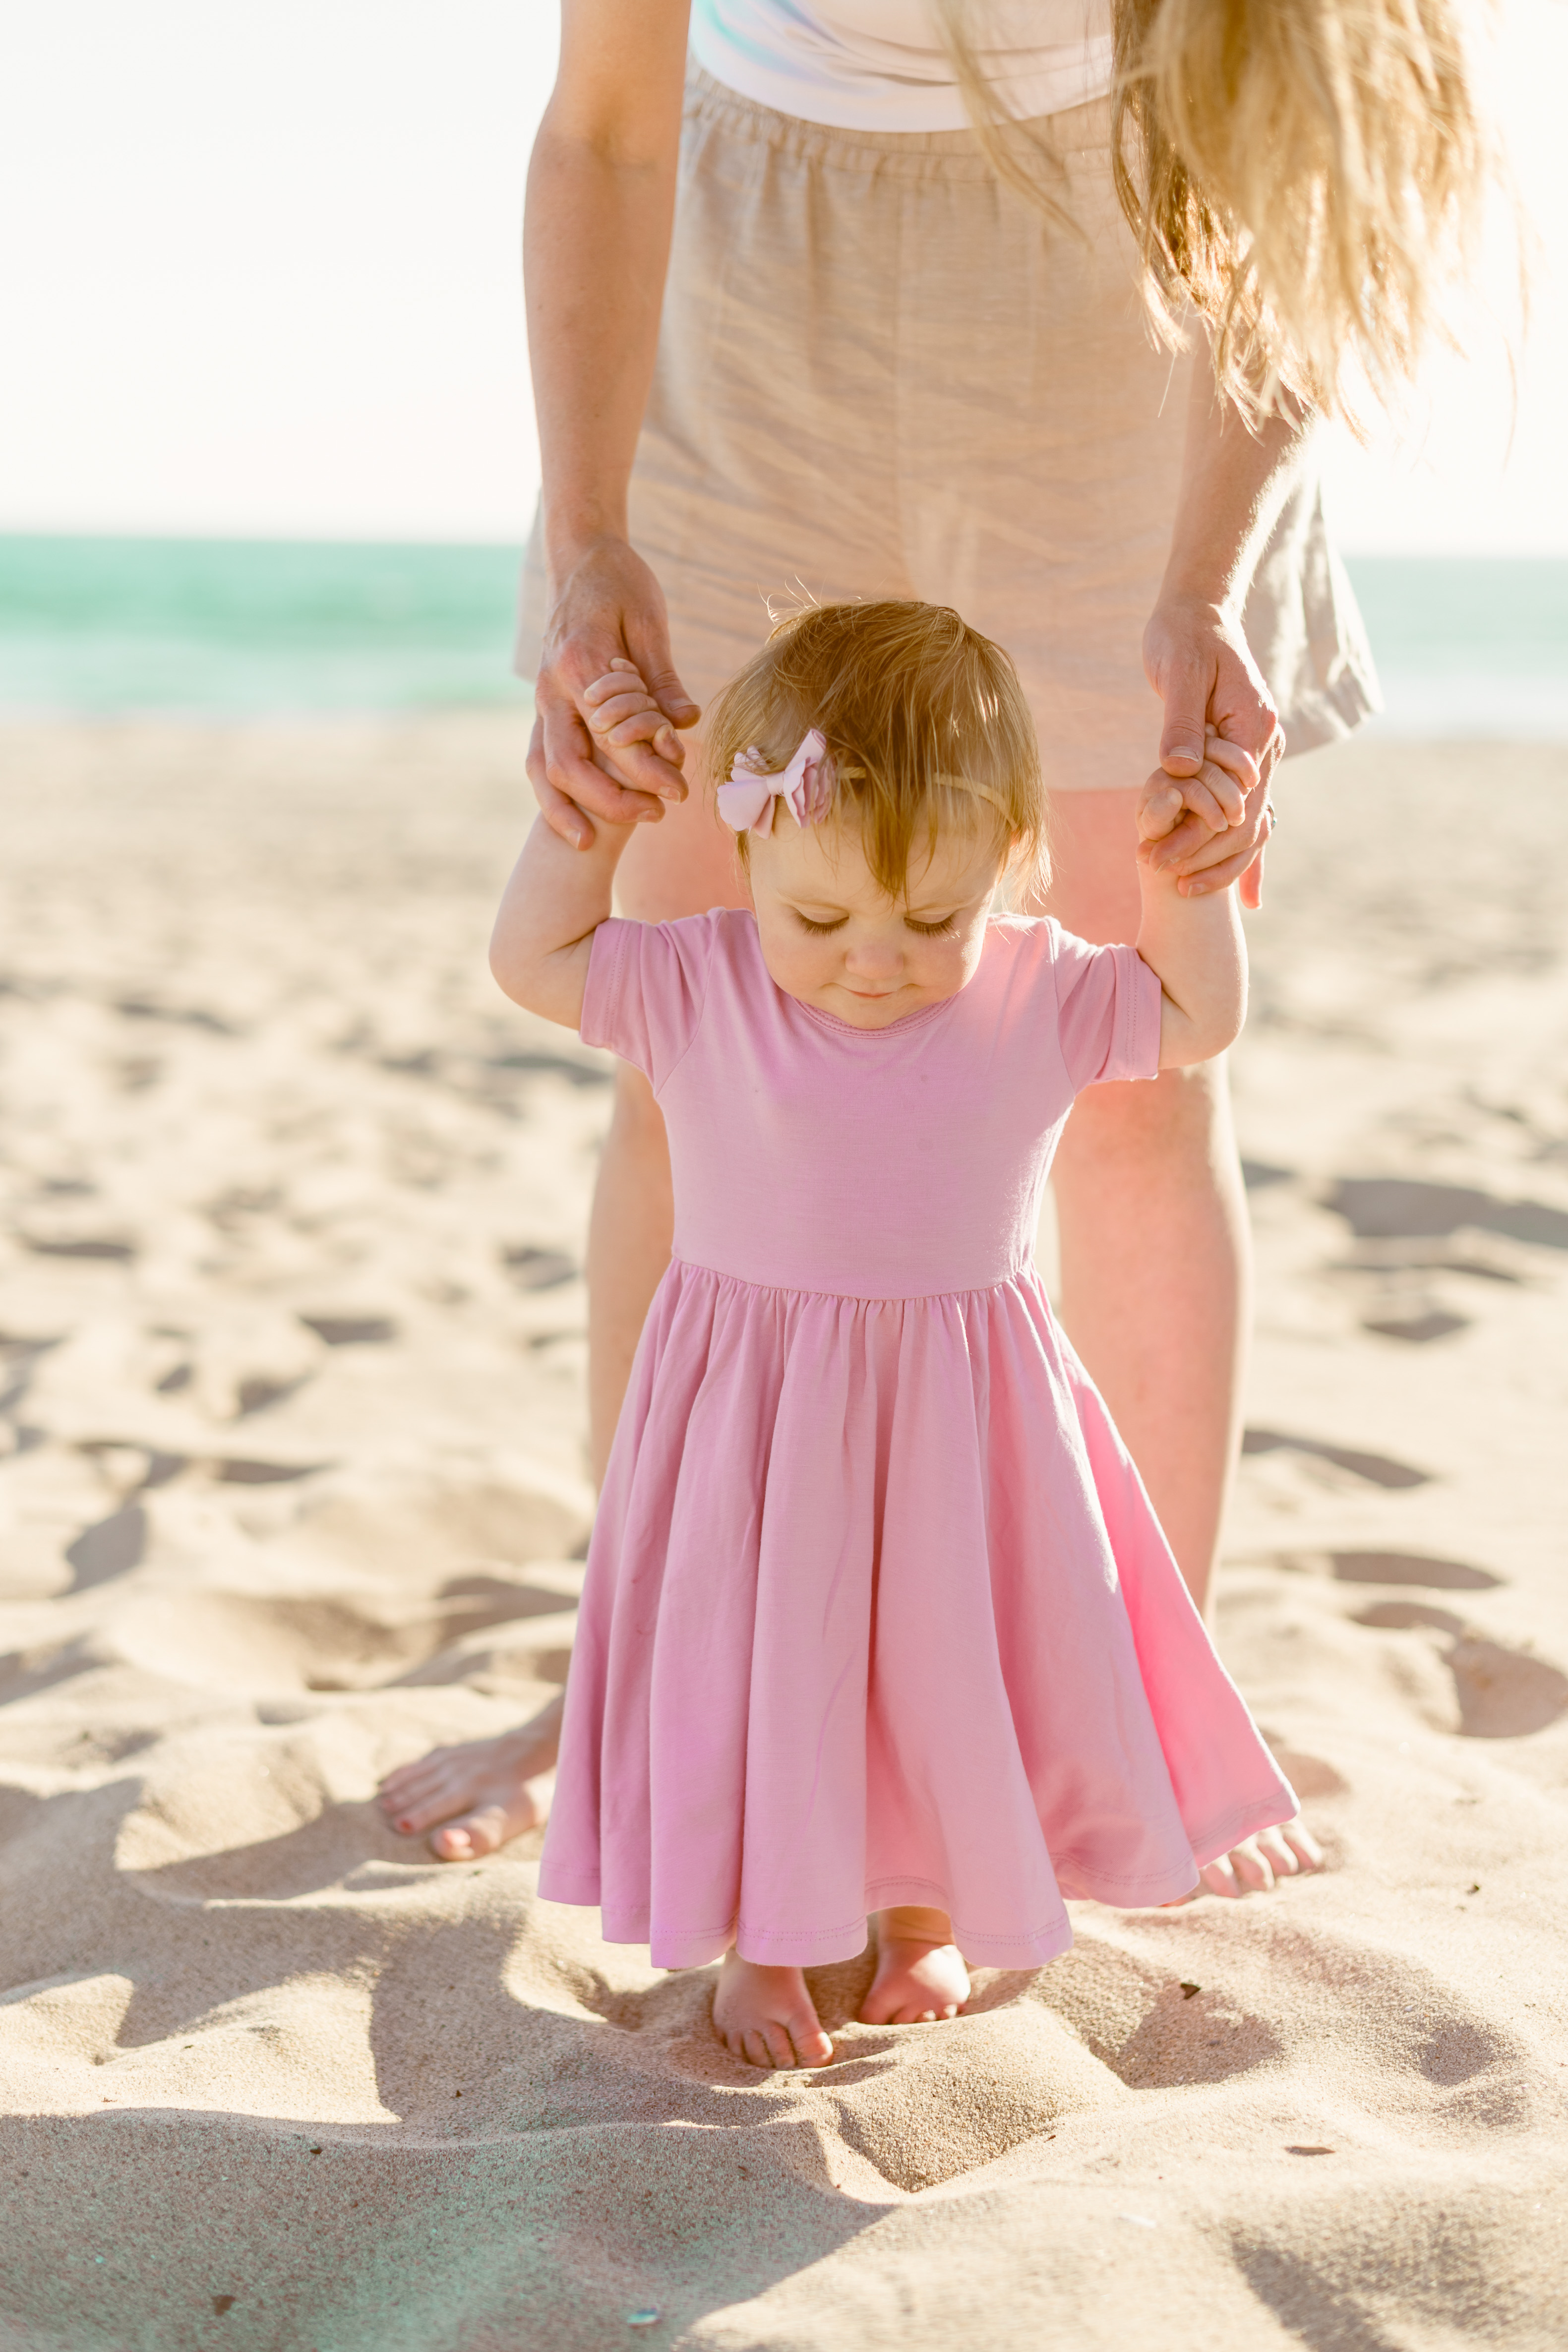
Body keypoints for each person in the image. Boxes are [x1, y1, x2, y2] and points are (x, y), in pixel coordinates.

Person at [378, 0, 1493, 1887]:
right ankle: (656, 1695)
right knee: (705, 1065)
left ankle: (1129, 1708)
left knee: (1115, 1073)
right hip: (741, 280)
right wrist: (590, 543)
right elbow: (608, 131)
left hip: (1141, 258)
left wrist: (1198, 588)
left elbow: (1315, 159)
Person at [481, 598, 1296, 2069]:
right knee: (766, 1660)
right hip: (755, 1414)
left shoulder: (1033, 988)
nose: (873, 959)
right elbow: (532, 961)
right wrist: (581, 827)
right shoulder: (701, 978)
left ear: (1009, 865)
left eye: (932, 917)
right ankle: (767, 1954)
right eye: (820, 915)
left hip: (959, 1412)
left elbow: (1191, 1017)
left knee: (943, 1659)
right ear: (747, 856)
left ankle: (924, 1928)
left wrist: (1186, 876)